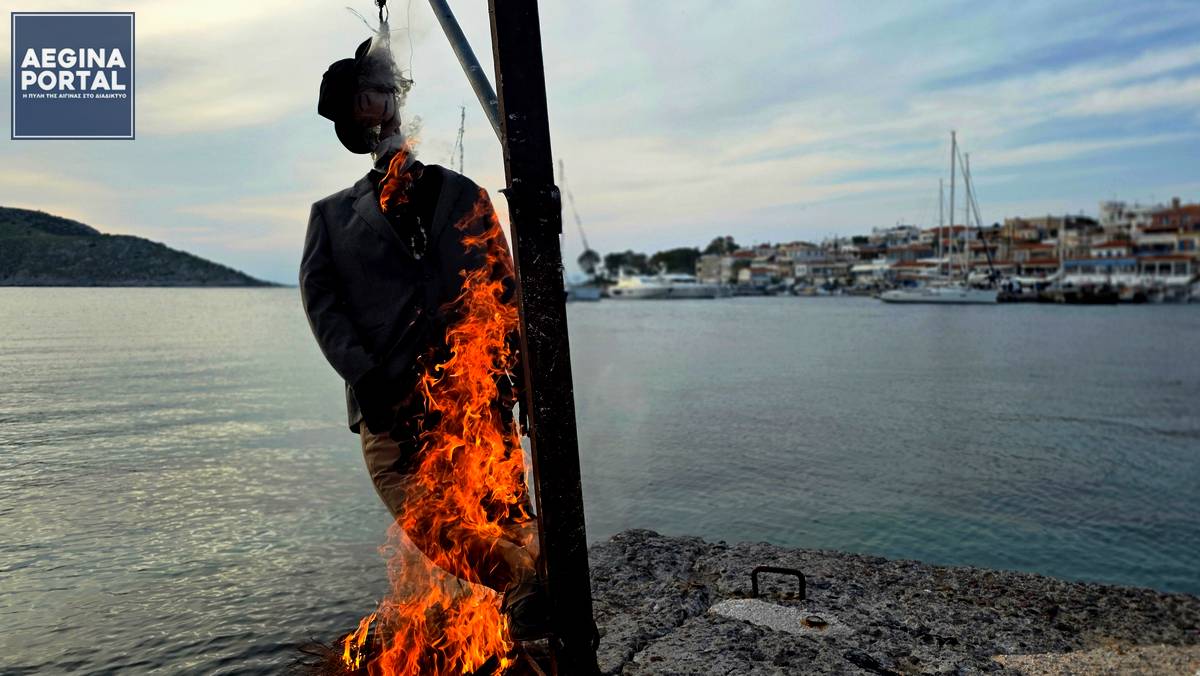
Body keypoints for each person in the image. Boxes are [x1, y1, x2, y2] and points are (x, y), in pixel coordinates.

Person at [300, 36, 546, 639]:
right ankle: (527, 586)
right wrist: (367, 375)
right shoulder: (330, 216)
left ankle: (531, 600)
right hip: (390, 405)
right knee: (426, 519)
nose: (372, 114)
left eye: (377, 98)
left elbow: (506, 293)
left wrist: (518, 385)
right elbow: (322, 305)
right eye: (360, 104)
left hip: (478, 397)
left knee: (508, 513)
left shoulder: (467, 197)